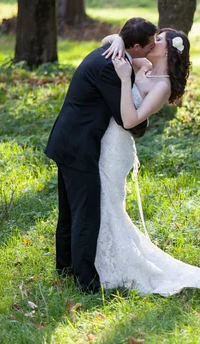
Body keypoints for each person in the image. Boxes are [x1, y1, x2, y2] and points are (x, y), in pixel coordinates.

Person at [94, 28, 200, 295]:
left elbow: (130, 121)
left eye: (158, 39)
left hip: (116, 149)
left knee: (110, 205)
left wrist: (126, 81)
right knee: (101, 202)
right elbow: (109, 44)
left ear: (168, 50)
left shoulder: (162, 86)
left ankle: (114, 267)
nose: (152, 41)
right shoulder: (145, 65)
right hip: (101, 139)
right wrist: (117, 39)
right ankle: (100, 261)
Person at [45, 17, 156, 293]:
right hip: (78, 146)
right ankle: (87, 282)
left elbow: (113, 42)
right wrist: (145, 118)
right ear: (136, 46)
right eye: (151, 43)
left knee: (70, 210)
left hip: (67, 140)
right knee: (86, 214)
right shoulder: (111, 67)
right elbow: (124, 118)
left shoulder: (111, 53)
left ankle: (65, 267)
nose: (154, 47)